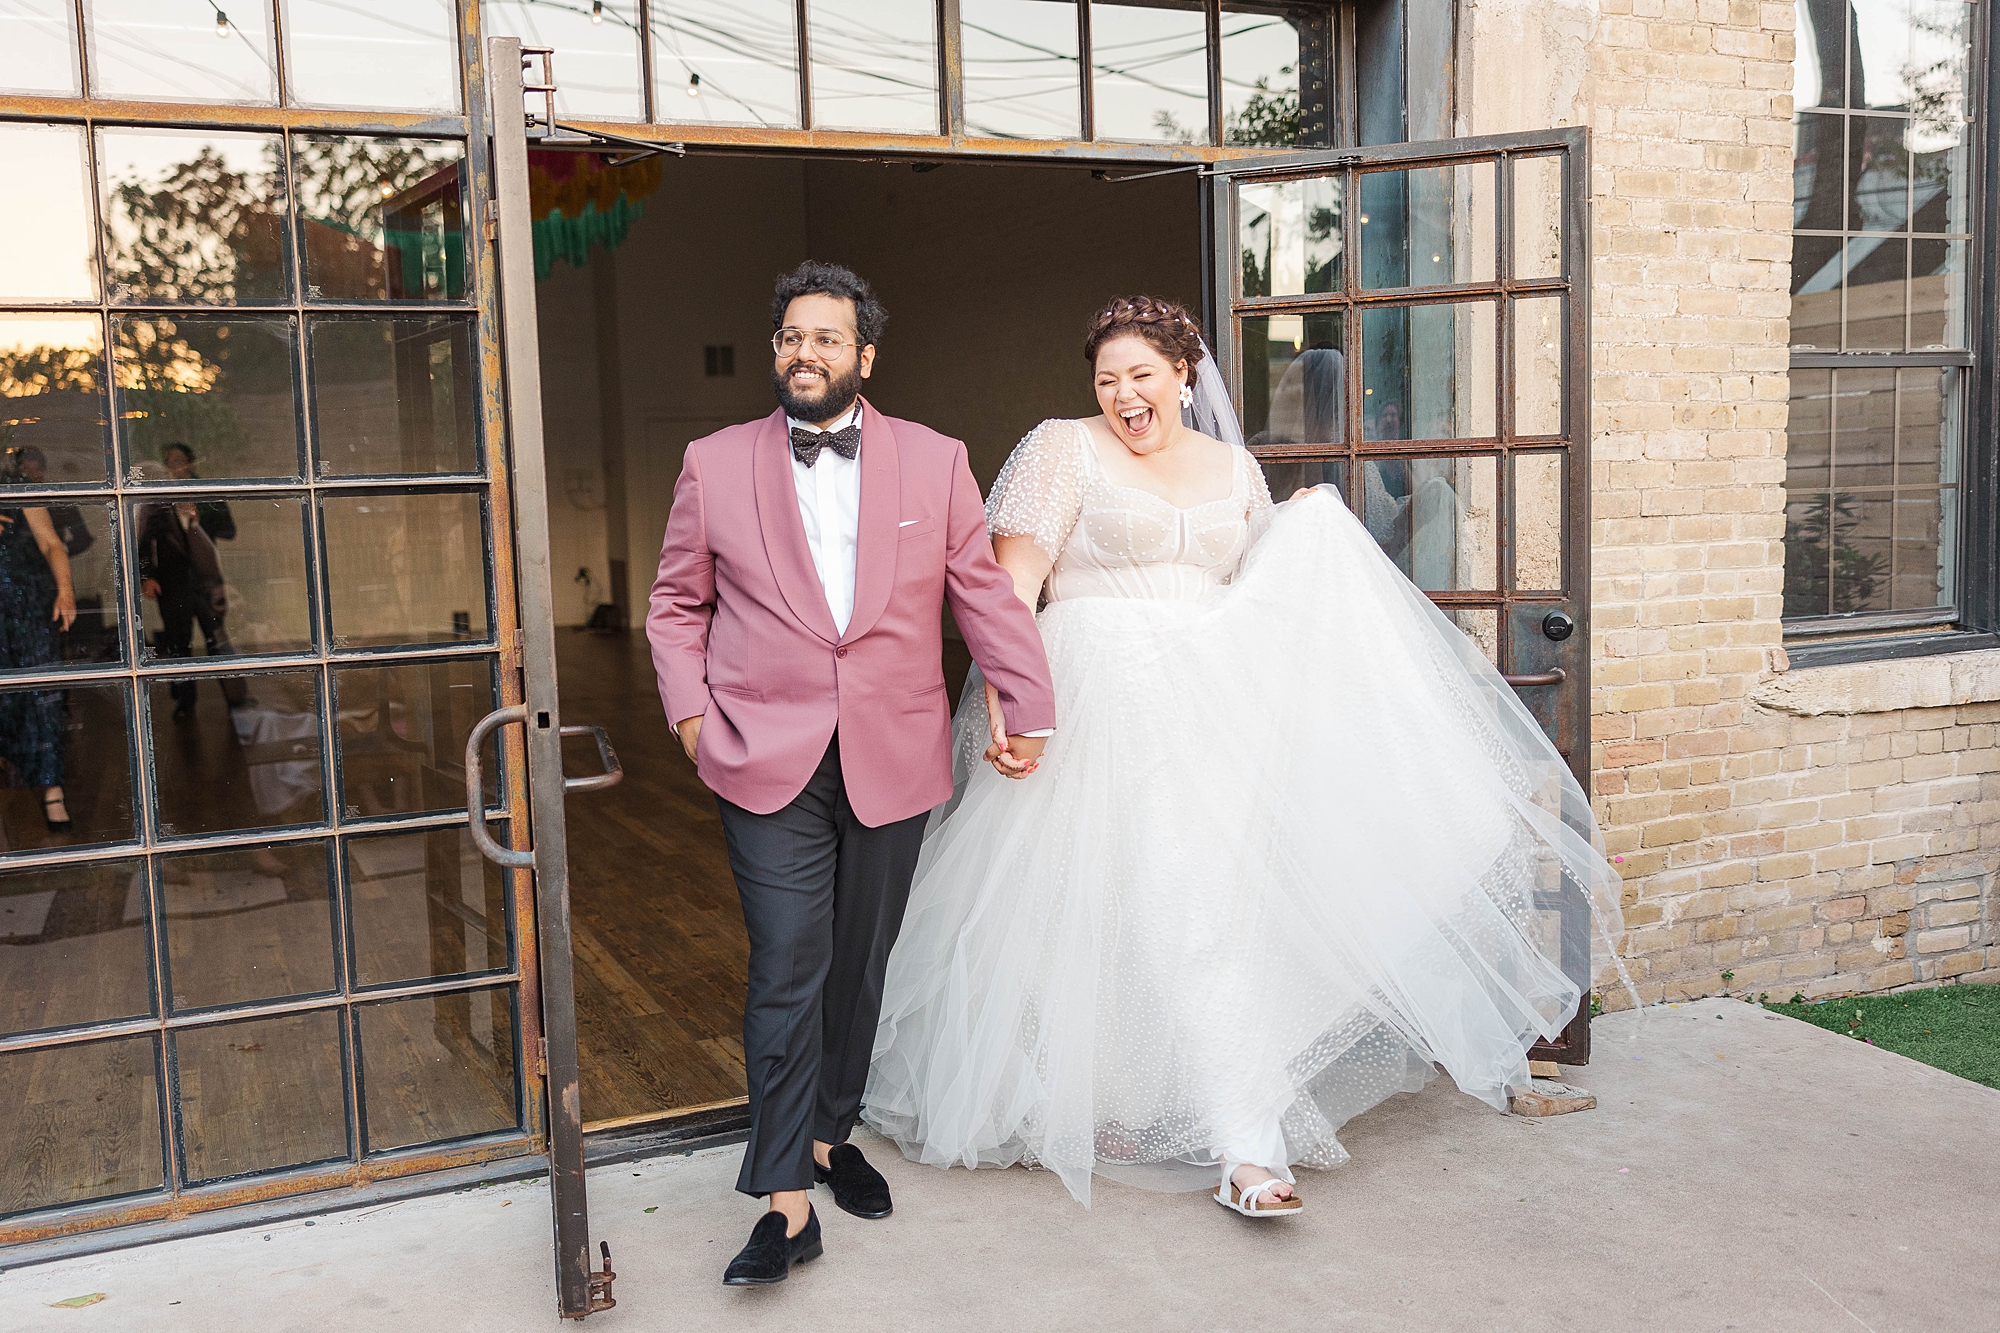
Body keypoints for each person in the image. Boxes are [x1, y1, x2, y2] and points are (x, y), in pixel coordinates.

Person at [864, 296, 1624, 1218]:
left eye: (1141, 373)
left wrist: (1304, 528)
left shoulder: (1236, 469)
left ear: (1187, 374)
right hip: (1096, 709)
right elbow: (1010, 586)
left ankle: (1234, 1133)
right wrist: (1011, 694)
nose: (1121, 395)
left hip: (1209, 716)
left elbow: (1259, 593)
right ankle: (1186, 1124)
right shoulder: (1062, 447)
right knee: (1118, 910)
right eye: (1106, 378)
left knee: (1211, 910)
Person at [647, 261, 1056, 1284]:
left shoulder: (934, 459)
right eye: (790, 336)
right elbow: (674, 604)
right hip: (761, 754)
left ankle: (831, 1134)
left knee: (861, 960)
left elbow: (981, 593)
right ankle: (784, 1202)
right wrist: (692, 715)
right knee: (788, 958)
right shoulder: (712, 461)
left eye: (826, 338)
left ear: (863, 357)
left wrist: (1028, 702)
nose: (804, 352)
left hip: (894, 748)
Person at [137, 443, 240, 718]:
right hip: (172, 583)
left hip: (206, 583)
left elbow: (229, 530)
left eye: (179, 461)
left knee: (217, 640)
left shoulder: (207, 493)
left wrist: (197, 519)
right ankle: (184, 702)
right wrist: (146, 576)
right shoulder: (158, 498)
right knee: (178, 645)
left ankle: (235, 700)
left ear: (191, 464)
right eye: (168, 461)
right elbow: (144, 540)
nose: (174, 466)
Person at [0, 497, 79, 831]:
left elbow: (51, 543)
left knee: (41, 697)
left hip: (30, 607)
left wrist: (65, 590)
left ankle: (52, 790)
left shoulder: (16, 490)